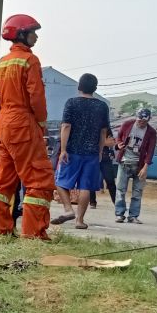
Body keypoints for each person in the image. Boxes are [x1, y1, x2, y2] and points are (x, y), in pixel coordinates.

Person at [0, 14, 55, 240]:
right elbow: (36, 96)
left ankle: (0, 229)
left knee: (1, 178)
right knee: (38, 177)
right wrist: (41, 123)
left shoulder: (2, 63)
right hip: (23, 122)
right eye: (33, 32)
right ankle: (33, 233)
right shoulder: (30, 61)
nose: (36, 36)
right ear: (22, 34)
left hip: (4, 123)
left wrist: (6, 119)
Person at [53, 73, 110, 230]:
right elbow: (103, 131)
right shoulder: (102, 106)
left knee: (59, 182)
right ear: (95, 88)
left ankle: (68, 210)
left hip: (72, 151)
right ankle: (79, 220)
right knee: (85, 187)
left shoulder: (72, 103)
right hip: (91, 152)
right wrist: (99, 151)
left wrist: (63, 149)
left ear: (79, 86)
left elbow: (66, 126)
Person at [113, 107, 157, 223]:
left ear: (148, 120)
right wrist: (119, 145)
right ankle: (119, 213)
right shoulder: (127, 124)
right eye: (139, 121)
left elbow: (151, 150)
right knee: (120, 189)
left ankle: (133, 215)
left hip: (139, 164)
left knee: (137, 192)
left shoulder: (151, 132)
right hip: (124, 161)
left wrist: (145, 167)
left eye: (144, 122)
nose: (141, 123)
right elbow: (118, 138)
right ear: (136, 118)